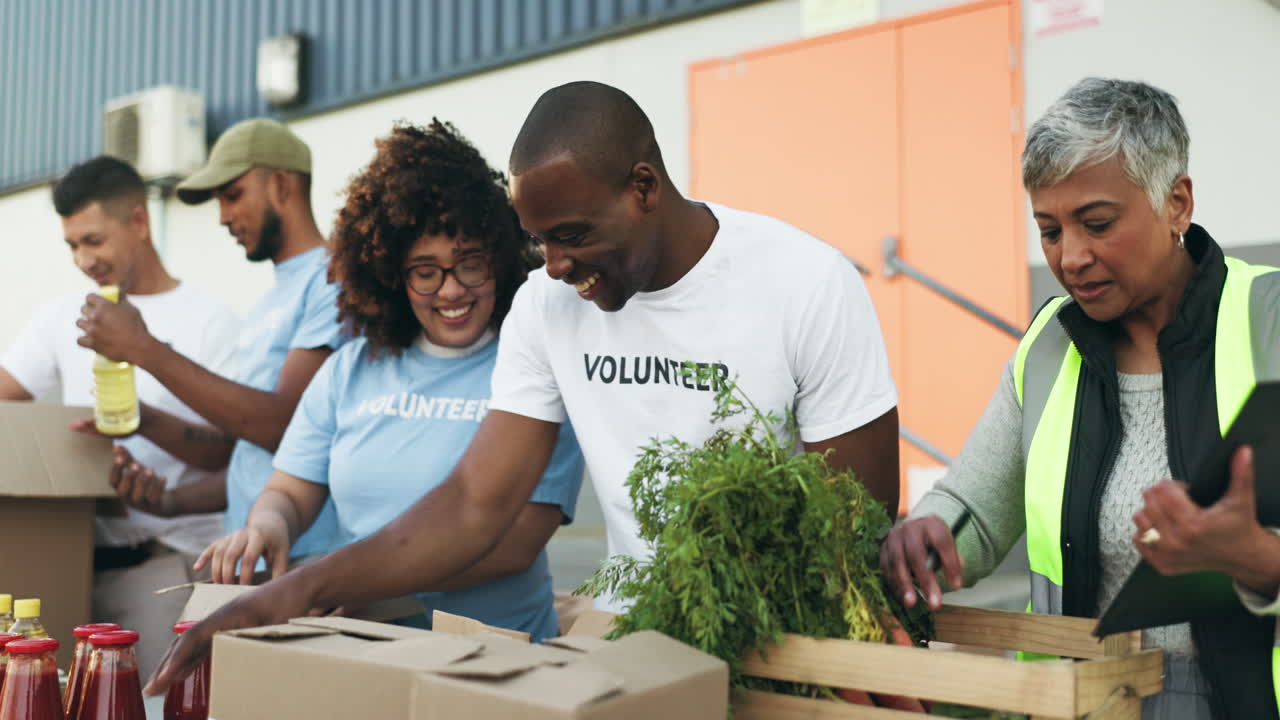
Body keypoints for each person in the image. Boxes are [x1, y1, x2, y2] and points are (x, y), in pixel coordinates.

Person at [146, 80, 899, 691]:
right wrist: (291, 593)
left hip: (781, 651)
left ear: (643, 187)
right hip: (636, 648)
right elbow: (477, 500)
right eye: (537, 242)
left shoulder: (804, 283)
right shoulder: (547, 305)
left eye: (571, 235)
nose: (555, 267)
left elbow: (854, 517)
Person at [879, 78, 1280, 719]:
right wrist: (929, 530)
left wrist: (1257, 558)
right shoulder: (1047, 344)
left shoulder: (1270, 318)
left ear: (1177, 203)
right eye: (1049, 230)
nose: (1071, 257)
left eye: (1096, 223)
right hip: (1082, 701)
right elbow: (973, 510)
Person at [196, 120, 584, 640]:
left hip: (498, 654)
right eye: (425, 271)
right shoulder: (350, 369)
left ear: (500, 258)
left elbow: (517, 542)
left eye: (469, 263)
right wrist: (267, 527)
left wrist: (363, 583)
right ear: (390, 275)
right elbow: (289, 490)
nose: (451, 290)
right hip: (370, 651)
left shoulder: (530, 365)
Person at [0, 156, 240, 677]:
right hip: (71, 561)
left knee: (150, 708)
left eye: (94, 240)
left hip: (166, 570)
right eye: (72, 246)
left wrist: (140, 419)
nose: (84, 259)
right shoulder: (62, 316)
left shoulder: (212, 323)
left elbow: (232, 449)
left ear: (139, 221)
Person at [76, 118, 347, 564]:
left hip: (306, 562)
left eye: (233, 195)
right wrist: (167, 498)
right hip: (249, 562)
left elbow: (288, 431)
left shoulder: (332, 280)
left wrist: (143, 348)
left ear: (281, 184)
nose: (222, 216)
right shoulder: (266, 304)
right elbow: (251, 454)